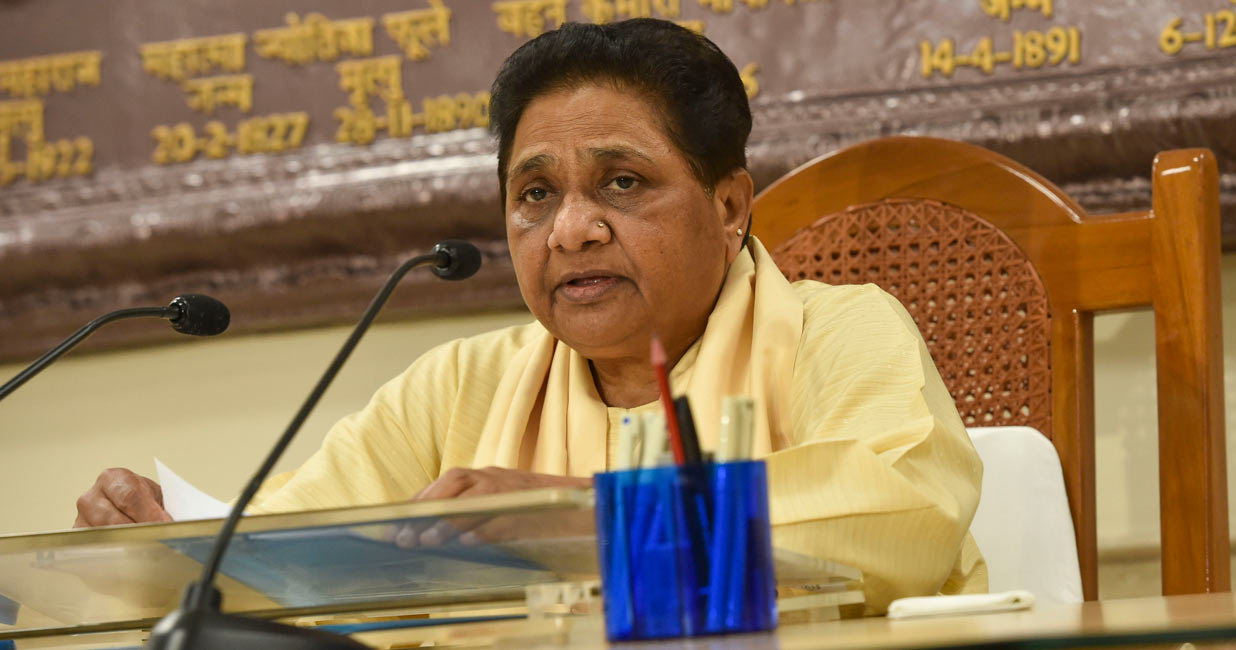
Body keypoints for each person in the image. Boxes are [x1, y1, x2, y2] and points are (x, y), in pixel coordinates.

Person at [74, 18, 985, 613]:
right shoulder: (456, 387)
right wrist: (162, 550)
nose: (571, 230)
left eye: (621, 182)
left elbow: (900, 516)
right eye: (535, 194)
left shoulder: (838, 332)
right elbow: (286, 560)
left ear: (729, 205)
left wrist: (585, 520)